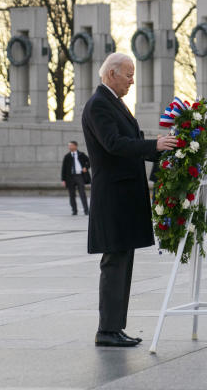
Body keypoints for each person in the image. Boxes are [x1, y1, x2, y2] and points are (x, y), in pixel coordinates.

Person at [82, 52, 177, 347]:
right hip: (113, 199)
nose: (132, 81)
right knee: (114, 263)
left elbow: (130, 143)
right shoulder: (99, 105)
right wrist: (153, 144)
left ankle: (115, 327)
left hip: (124, 198)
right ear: (111, 74)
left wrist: (163, 148)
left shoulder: (114, 103)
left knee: (123, 262)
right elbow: (114, 144)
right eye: (128, 74)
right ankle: (107, 331)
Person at [61, 140, 91, 215]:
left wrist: (86, 167)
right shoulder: (67, 156)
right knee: (72, 195)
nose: (69, 147)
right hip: (70, 177)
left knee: (82, 194)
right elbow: (63, 168)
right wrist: (63, 180)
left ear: (75, 146)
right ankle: (74, 210)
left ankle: (86, 210)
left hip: (79, 176)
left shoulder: (81, 154)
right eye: (69, 146)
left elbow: (90, 161)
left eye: (71, 145)